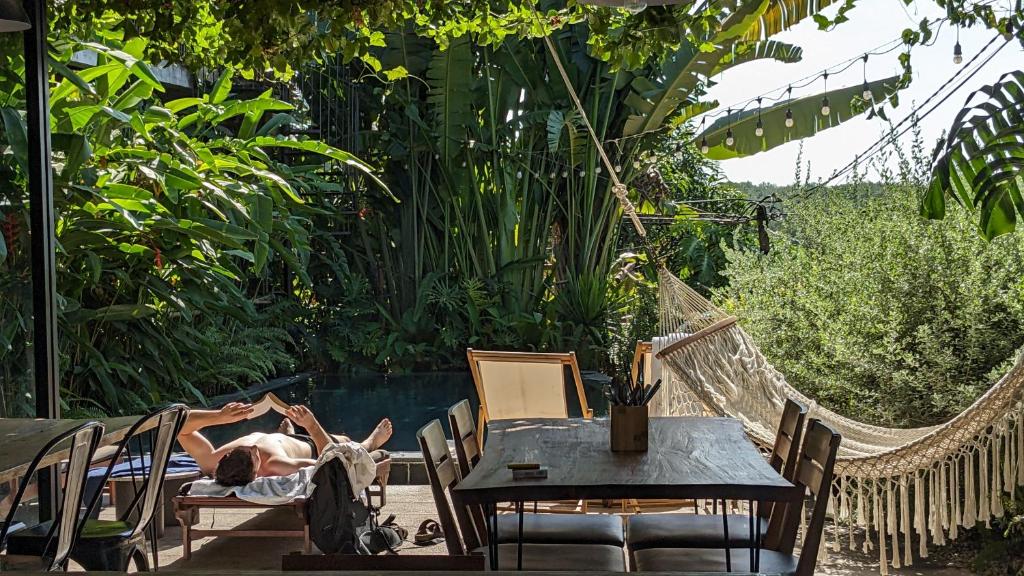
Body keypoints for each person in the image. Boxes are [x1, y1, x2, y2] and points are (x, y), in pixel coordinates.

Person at [178, 402, 392, 486]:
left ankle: (286, 433)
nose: (254, 447)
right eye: (254, 454)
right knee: (346, 443)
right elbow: (333, 461)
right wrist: (312, 425)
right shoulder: (276, 464)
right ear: (257, 470)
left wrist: (220, 417)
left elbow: (179, 426)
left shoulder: (212, 461)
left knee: (278, 436)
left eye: (242, 449)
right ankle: (371, 441)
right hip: (305, 444)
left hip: (277, 439)